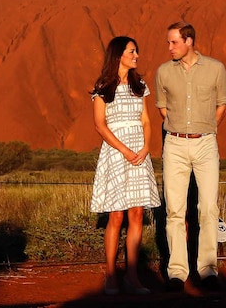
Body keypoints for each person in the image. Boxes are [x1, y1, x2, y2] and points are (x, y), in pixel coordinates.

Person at [155, 21, 226, 292]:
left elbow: (222, 104)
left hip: (206, 144)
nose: (170, 47)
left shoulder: (215, 68)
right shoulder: (164, 72)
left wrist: (206, 128)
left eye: (174, 42)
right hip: (174, 144)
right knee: (174, 209)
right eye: (168, 42)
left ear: (189, 41)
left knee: (208, 208)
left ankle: (208, 269)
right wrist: (180, 130)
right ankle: (177, 272)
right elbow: (163, 109)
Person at [90, 36, 161, 295]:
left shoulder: (139, 84)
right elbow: (100, 124)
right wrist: (125, 150)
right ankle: (111, 275)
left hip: (139, 154)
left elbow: (146, 120)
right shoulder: (103, 86)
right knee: (116, 216)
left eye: (137, 51)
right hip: (116, 152)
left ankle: (132, 276)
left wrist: (144, 148)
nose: (136, 55)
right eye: (132, 51)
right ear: (119, 54)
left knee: (137, 214)